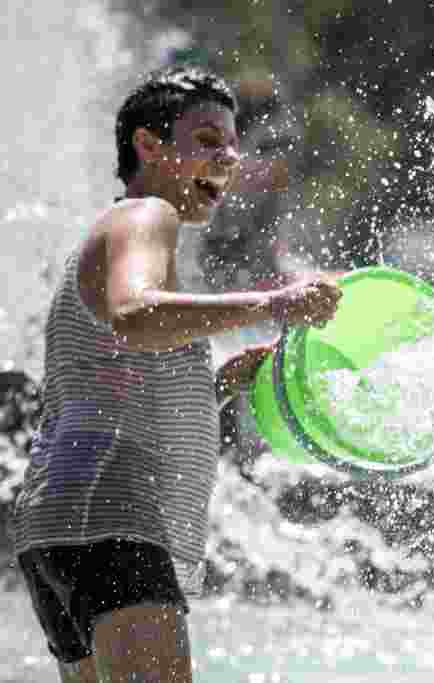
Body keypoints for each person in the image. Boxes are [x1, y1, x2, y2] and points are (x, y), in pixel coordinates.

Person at [10, 65, 341, 683]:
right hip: (112, 516)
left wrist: (220, 385)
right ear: (149, 146)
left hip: (57, 526)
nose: (230, 159)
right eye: (209, 141)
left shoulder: (117, 231)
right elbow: (134, 315)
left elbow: (116, 381)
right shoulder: (144, 218)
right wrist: (274, 303)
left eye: (233, 144)